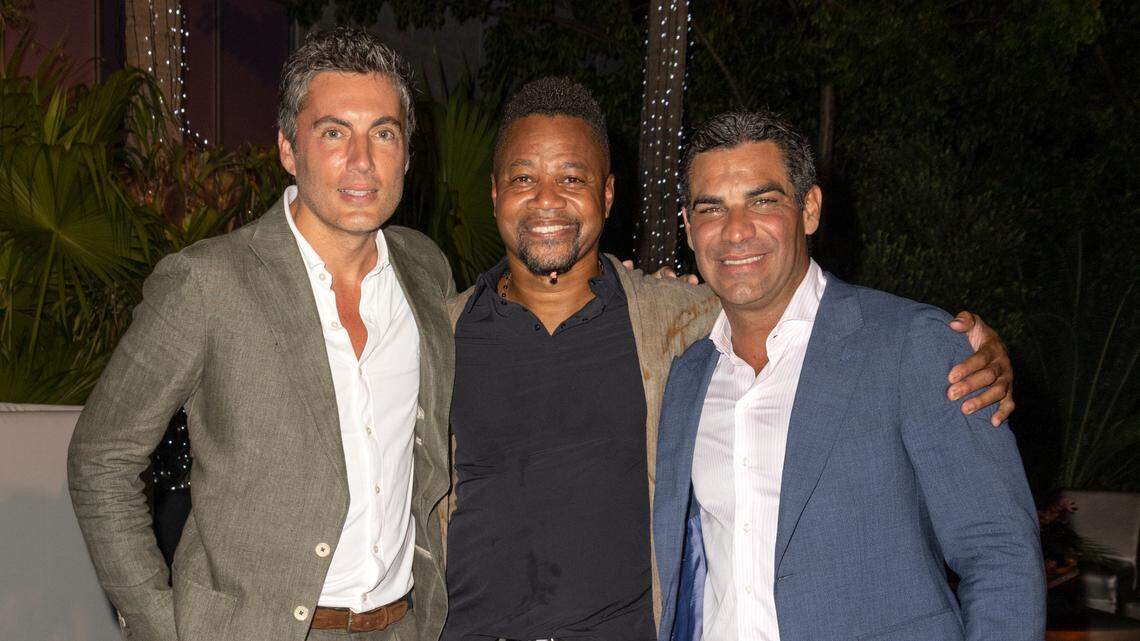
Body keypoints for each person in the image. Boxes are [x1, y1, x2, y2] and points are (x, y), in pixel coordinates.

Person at [440, 78, 1016, 641]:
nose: (736, 232)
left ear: (608, 194)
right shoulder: (435, 333)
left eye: (572, 177)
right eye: (523, 178)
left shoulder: (672, 325)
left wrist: (968, 344)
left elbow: (999, 550)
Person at [67, 28, 452, 641]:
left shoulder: (425, 270)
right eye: (333, 133)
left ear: (406, 152)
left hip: (404, 625)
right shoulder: (207, 283)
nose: (362, 160)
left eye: (383, 132)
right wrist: (157, 623)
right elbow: (100, 458)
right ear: (287, 149)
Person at [652, 110, 1045, 641]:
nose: (736, 231)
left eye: (763, 201)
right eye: (712, 209)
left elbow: (999, 551)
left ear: (809, 209)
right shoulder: (688, 376)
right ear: (688, 227)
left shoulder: (911, 343)